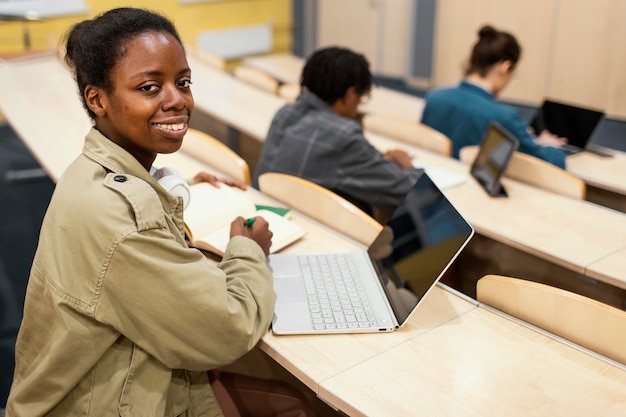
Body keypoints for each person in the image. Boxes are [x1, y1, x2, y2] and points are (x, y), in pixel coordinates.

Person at [5, 7, 313, 417]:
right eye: (150, 87)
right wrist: (247, 250)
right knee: (294, 405)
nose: (178, 100)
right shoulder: (113, 217)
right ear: (97, 99)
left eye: (183, 82)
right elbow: (228, 329)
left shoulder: (94, 169)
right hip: (103, 401)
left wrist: (171, 181)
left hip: (105, 379)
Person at [253, 46, 422, 218]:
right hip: (311, 226)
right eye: (360, 97)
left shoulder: (285, 113)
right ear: (349, 95)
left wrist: (374, 161)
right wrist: (407, 164)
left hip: (268, 212)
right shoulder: (344, 136)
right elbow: (406, 190)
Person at [420, 25, 567, 168]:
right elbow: (548, 164)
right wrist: (550, 146)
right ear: (505, 67)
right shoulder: (504, 117)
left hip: (434, 182)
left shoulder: (435, 97)